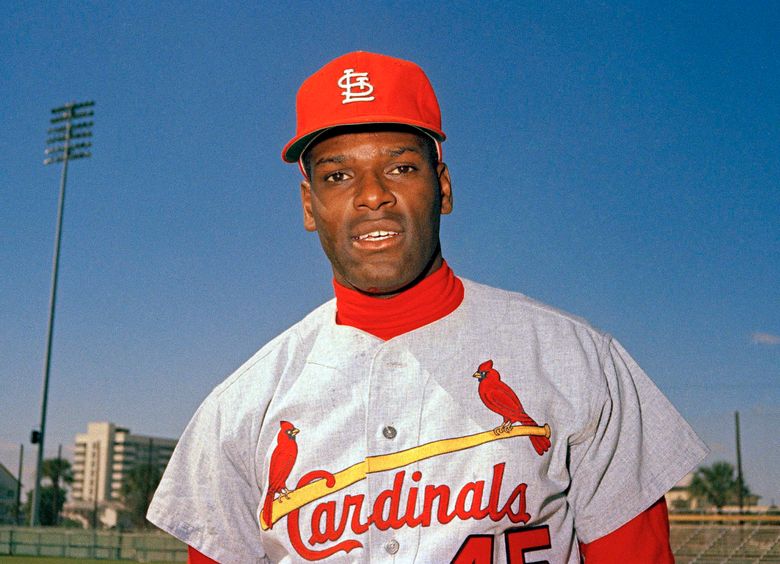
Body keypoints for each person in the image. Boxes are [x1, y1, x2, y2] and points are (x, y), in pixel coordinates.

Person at [147, 51, 708, 563]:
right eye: (338, 175)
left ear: (442, 187)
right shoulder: (240, 409)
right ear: (309, 205)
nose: (372, 195)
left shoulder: (578, 360)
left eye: (400, 167)